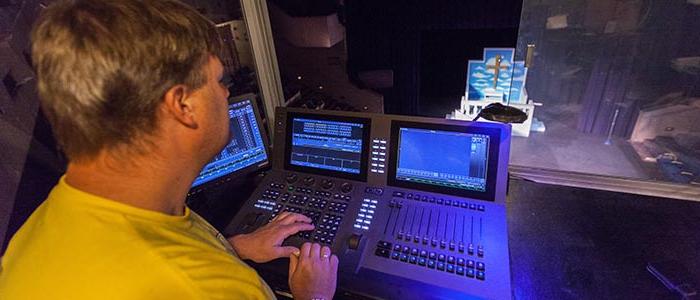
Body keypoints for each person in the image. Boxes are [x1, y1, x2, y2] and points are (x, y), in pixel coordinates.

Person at [0, 0, 338, 299]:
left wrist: (235, 248)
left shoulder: (38, 229)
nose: (225, 95)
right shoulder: (212, 288)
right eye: (220, 81)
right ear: (182, 105)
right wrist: (315, 295)